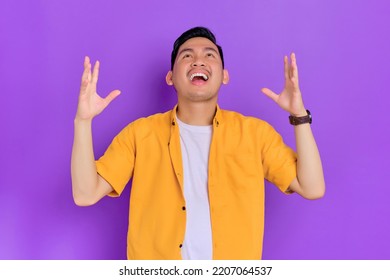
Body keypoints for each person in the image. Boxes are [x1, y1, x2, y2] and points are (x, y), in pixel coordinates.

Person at [71, 27, 325, 260]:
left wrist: (299, 115)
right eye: (187, 56)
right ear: (170, 77)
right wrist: (83, 122)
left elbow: (311, 187)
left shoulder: (255, 134)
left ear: (224, 76)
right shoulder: (140, 134)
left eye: (210, 55)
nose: (199, 60)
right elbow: (85, 194)